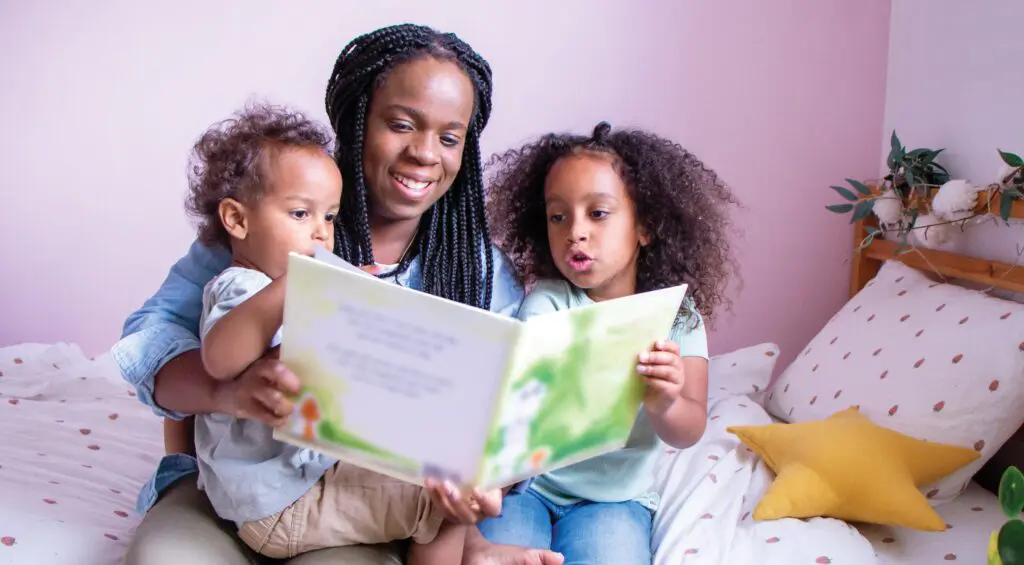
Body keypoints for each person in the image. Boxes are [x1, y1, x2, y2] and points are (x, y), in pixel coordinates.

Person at [114, 23, 563, 565]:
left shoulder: (476, 271)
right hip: (226, 490)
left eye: (449, 137)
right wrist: (227, 394)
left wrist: (471, 490)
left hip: (353, 512)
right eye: (400, 124)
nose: (424, 153)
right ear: (357, 122)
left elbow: (511, 420)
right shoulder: (274, 221)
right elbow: (152, 341)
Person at [478, 121, 740, 564]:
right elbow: (519, 403)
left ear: (645, 228)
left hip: (615, 499)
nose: (575, 231)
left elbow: (689, 429)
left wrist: (665, 402)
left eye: (597, 213)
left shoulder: (679, 320)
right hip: (529, 486)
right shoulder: (548, 300)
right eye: (558, 216)